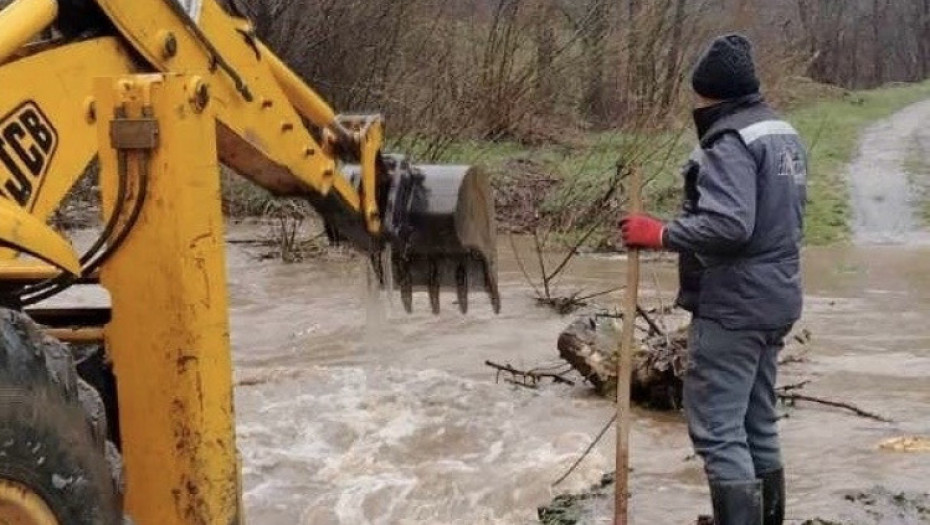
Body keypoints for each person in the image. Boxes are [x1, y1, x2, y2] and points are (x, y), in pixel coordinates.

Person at [620, 34, 807, 525]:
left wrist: (660, 233)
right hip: (777, 296)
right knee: (758, 421)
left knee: (719, 431)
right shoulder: (781, 132)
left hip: (734, 305)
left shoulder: (729, 140)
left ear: (710, 92)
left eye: (698, 94)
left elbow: (731, 225)